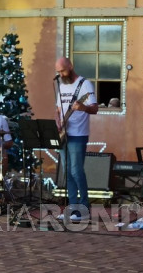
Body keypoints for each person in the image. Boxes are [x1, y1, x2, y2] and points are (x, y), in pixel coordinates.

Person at [54, 57, 98, 222]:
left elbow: (95, 109)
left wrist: (83, 107)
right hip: (64, 133)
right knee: (67, 172)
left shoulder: (84, 84)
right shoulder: (62, 85)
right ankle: (72, 208)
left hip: (79, 134)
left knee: (76, 170)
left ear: (71, 66)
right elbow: (58, 109)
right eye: (58, 72)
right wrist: (58, 122)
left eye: (63, 71)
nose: (61, 74)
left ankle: (84, 206)